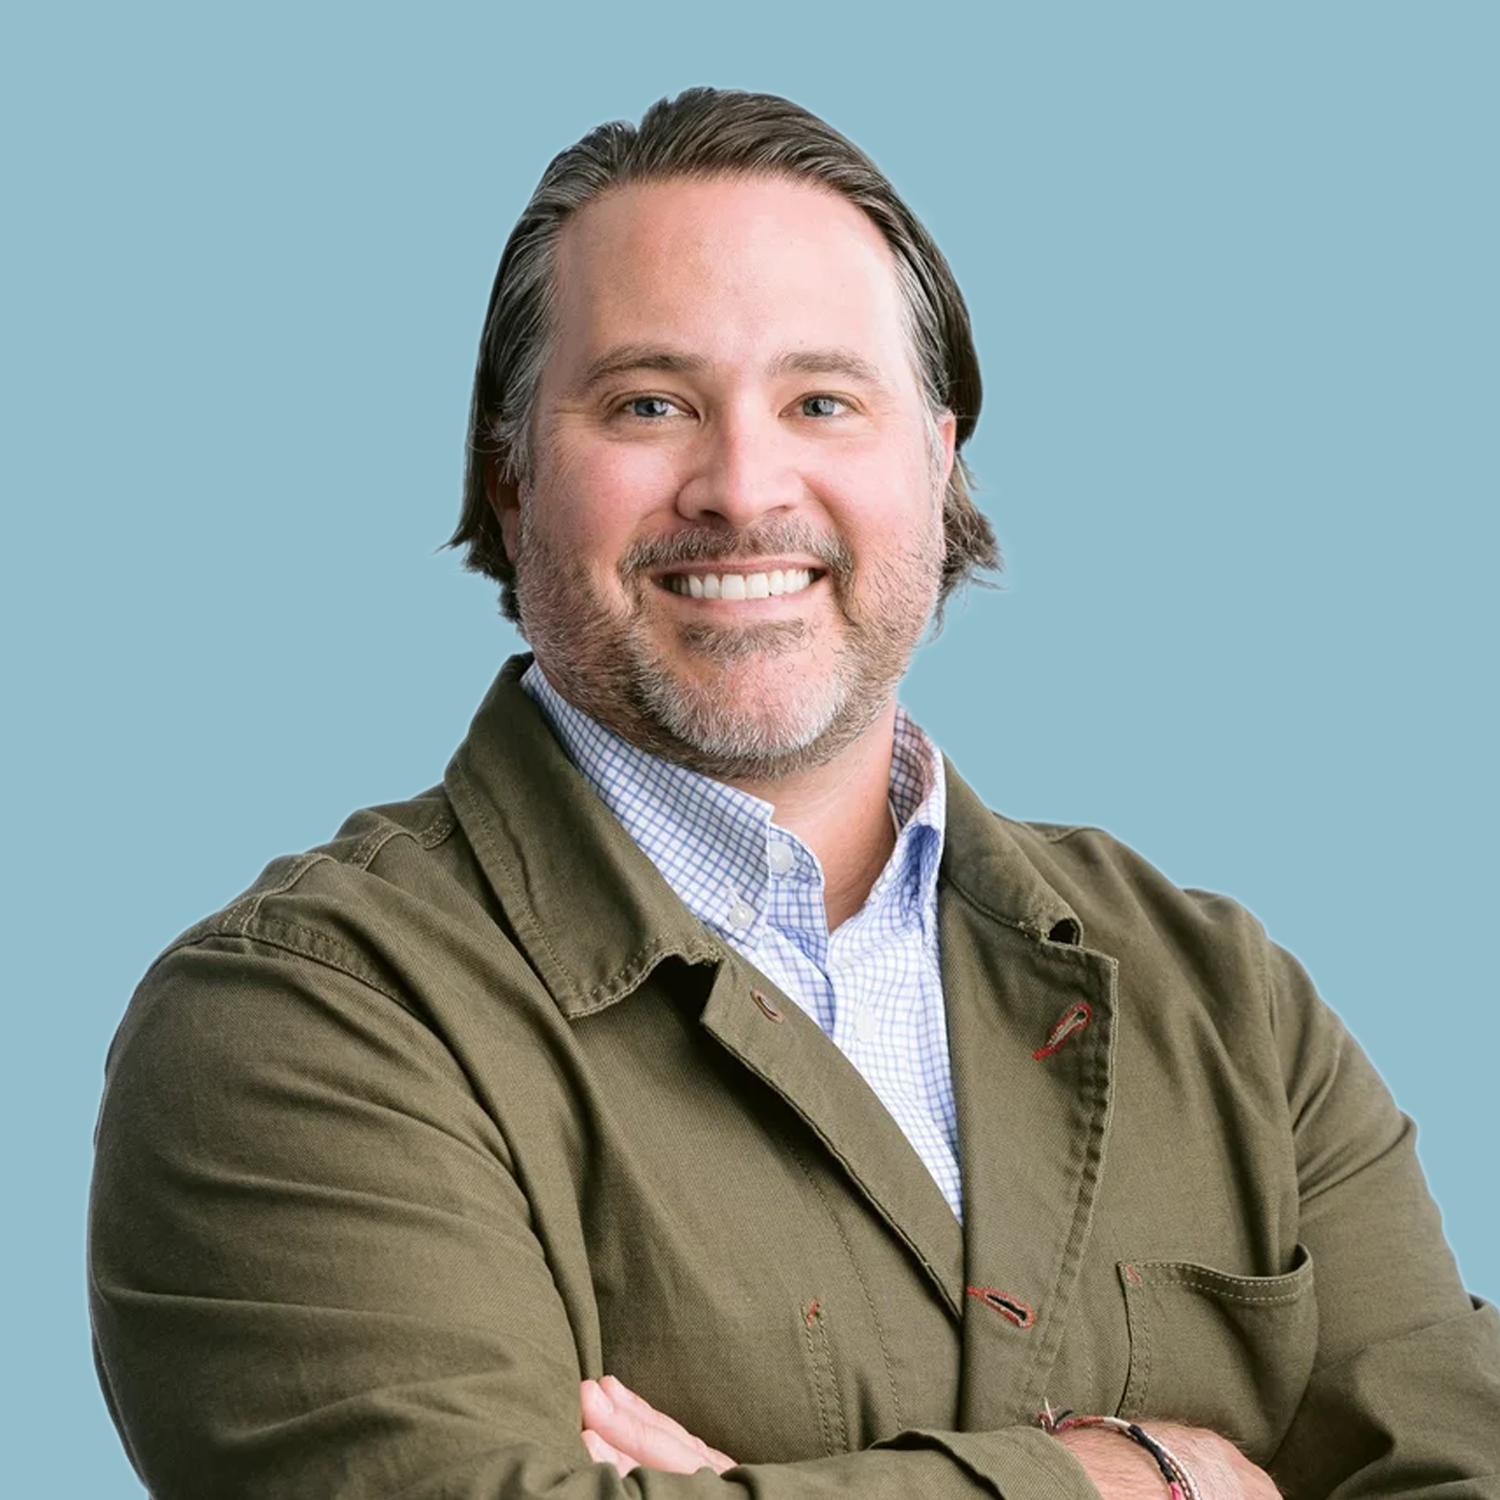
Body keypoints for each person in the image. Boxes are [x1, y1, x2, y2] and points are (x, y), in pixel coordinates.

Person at [89, 88, 1500, 1500]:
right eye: (650, 404)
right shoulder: (300, 1026)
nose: (743, 484)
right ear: (512, 481)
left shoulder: (1228, 1004)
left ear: (936, 464)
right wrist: (1143, 1478)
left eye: (822, 400)